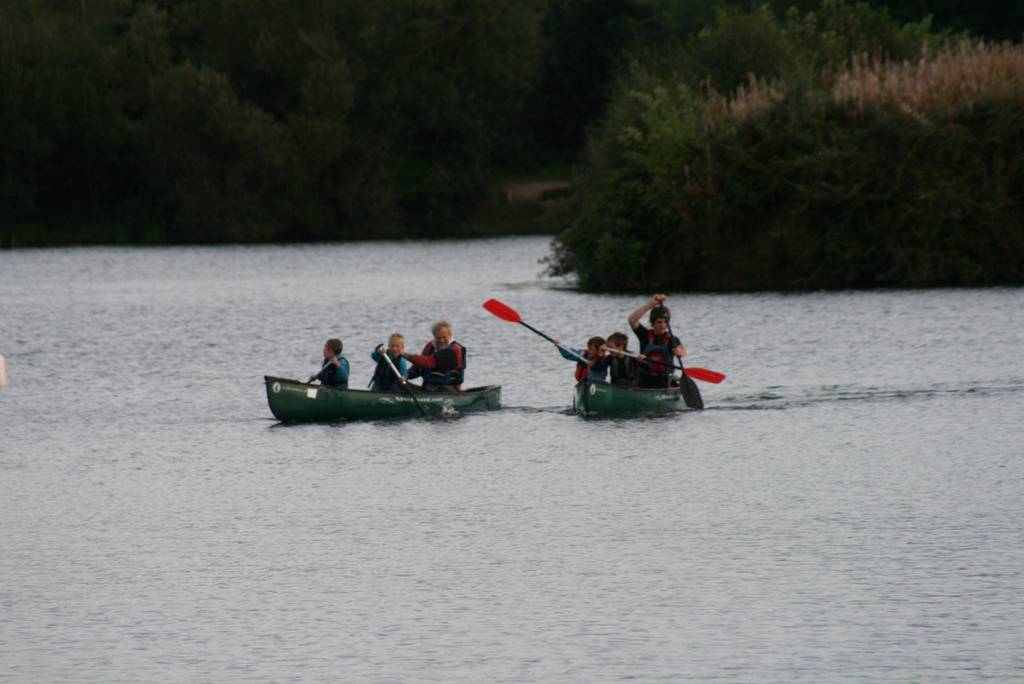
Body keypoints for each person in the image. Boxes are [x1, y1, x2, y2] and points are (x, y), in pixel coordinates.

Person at [627, 294, 686, 389]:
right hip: (644, 379)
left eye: (665, 322)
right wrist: (651, 304)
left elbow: (682, 350)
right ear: (653, 322)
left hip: (664, 380)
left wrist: (680, 352)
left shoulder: (672, 339)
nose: (662, 325)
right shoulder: (644, 335)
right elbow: (632, 320)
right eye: (659, 322)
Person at [403, 319, 466, 392]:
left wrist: (405, 355)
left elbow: (429, 362)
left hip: (447, 389)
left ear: (450, 335)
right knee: (400, 384)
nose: (441, 340)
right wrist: (405, 375)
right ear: (434, 336)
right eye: (438, 338)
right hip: (429, 387)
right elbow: (419, 367)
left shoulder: (454, 350)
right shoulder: (430, 346)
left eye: (444, 337)